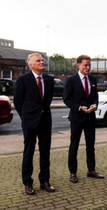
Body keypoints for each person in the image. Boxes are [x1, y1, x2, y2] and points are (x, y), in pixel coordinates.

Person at [14, 53, 55, 195]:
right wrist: (26, 117)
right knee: (29, 153)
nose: (42, 62)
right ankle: (28, 183)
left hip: (45, 122)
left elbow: (47, 101)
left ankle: (45, 181)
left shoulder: (49, 80)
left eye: (42, 60)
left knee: (45, 153)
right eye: (38, 60)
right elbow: (18, 102)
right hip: (30, 122)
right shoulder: (23, 79)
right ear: (31, 64)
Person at [63, 55, 104, 183]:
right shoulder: (71, 80)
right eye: (85, 65)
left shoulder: (92, 79)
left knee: (90, 145)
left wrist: (95, 105)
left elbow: (95, 95)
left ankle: (91, 170)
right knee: (74, 145)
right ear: (78, 65)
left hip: (90, 117)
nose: (88, 68)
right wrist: (80, 107)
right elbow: (67, 99)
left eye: (89, 65)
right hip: (77, 117)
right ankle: (73, 172)